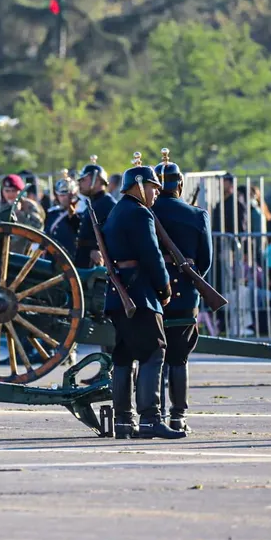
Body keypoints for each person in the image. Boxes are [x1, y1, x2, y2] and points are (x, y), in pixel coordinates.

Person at [103, 153, 185, 440]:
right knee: (154, 351)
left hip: (118, 295)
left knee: (124, 356)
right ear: (138, 184)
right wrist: (164, 288)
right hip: (138, 294)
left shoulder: (116, 211)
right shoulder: (139, 212)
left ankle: (124, 421)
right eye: (153, 187)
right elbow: (152, 256)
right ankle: (150, 419)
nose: (157, 192)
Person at [153, 149, 212, 433]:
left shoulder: (144, 214)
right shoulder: (197, 215)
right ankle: (178, 416)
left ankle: (154, 416)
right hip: (186, 296)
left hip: (152, 295)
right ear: (180, 184)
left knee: (153, 357)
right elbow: (206, 262)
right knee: (179, 358)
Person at [76, 155, 117, 268]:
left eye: (84, 179)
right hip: (84, 260)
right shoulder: (93, 202)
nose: (80, 183)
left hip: (96, 263)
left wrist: (98, 249)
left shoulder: (108, 204)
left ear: (97, 180)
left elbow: (113, 234)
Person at [0, 174, 45, 252]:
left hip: (28, 250)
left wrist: (19, 214)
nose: (10, 194)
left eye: (14, 191)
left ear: (21, 191)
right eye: (7, 191)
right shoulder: (2, 209)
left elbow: (38, 228)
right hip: (8, 251)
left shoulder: (30, 206)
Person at [44, 170, 81, 260]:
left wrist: (72, 214)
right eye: (61, 195)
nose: (64, 198)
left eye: (67, 195)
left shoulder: (80, 213)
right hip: (52, 256)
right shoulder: (52, 213)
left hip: (70, 257)